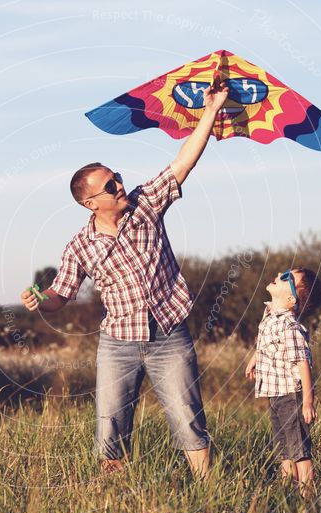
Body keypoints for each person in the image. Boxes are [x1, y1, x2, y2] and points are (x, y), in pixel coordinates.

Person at [20, 79, 230, 478]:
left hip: (169, 335)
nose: (119, 185)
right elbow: (59, 295)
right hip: (117, 344)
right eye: (110, 185)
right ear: (90, 203)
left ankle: (210, 492)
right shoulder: (80, 245)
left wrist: (211, 110)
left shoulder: (145, 205)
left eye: (116, 177)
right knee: (111, 430)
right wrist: (38, 299)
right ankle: (114, 502)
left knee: (189, 420)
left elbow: (183, 162)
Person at [245, 267, 321, 499]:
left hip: (292, 395)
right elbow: (265, 342)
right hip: (276, 394)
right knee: (283, 447)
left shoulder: (291, 327)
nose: (279, 274)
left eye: (287, 277)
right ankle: (286, 490)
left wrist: (308, 401)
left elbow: (303, 364)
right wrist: (255, 359)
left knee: (299, 448)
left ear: (291, 299)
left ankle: (308, 494)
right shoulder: (270, 315)